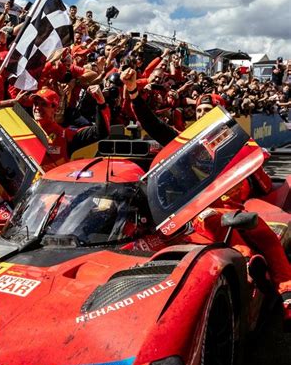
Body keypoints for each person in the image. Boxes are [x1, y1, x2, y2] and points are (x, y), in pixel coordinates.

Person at [121, 67, 291, 322]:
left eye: (207, 111)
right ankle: (253, 270)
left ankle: (285, 293)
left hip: (240, 211)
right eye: (199, 111)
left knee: (265, 232)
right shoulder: (187, 149)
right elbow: (153, 126)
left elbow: (264, 185)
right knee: (234, 240)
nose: (201, 115)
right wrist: (133, 93)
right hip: (201, 216)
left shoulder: (238, 149)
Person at [31, 86, 110, 168]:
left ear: (56, 110)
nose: (37, 107)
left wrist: (101, 103)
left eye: (44, 104)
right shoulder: (25, 127)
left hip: (50, 179)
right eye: (36, 103)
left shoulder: (65, 136)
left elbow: (100, 132)